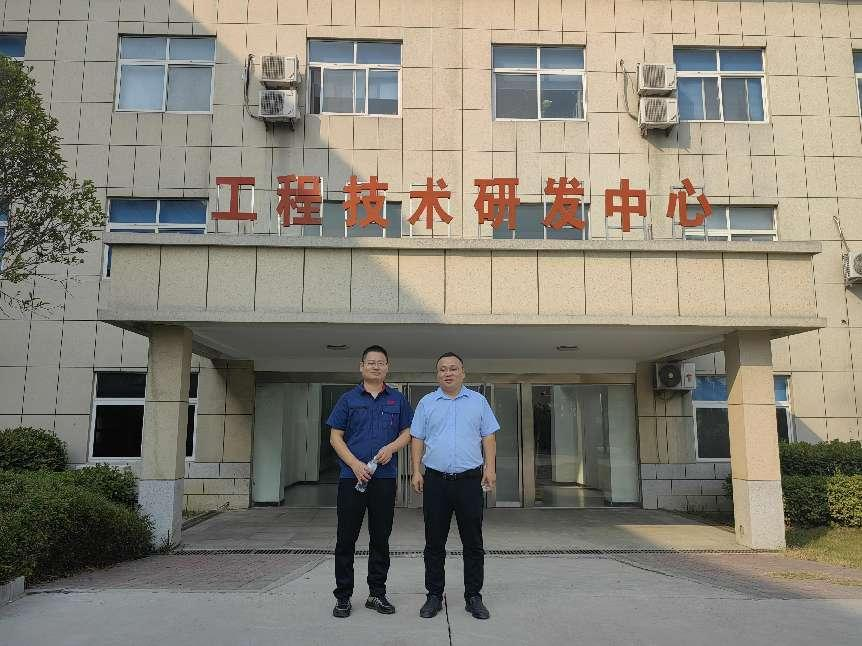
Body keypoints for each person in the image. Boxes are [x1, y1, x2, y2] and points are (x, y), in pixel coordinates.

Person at [410, 352, 498, 621]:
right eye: (443, 369)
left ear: (463, 372)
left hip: (470, 482)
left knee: (473, 542)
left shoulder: (478, 401)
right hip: (436, 481)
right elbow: (417, 438)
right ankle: (434, 596)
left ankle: (474, 596)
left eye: (453, 368)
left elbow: (488, 436)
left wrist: (490, 468)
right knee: (434, 542)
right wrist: (416, 470)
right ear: (437, 374)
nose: (448, 373)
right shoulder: (427, 403)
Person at [327, 345, 413, 618]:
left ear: (387, 367)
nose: (376, 366)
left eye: (381, 363)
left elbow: (408, 431)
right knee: (346, 539)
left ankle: (377, 593)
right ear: (361, 366)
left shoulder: (397, 399)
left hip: (384, 479)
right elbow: (335, 437)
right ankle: (343, 597)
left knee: (380, 538)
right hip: (351, 479)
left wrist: (392, 448)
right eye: (371, 362)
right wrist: (354, 464)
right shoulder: (348, 399)